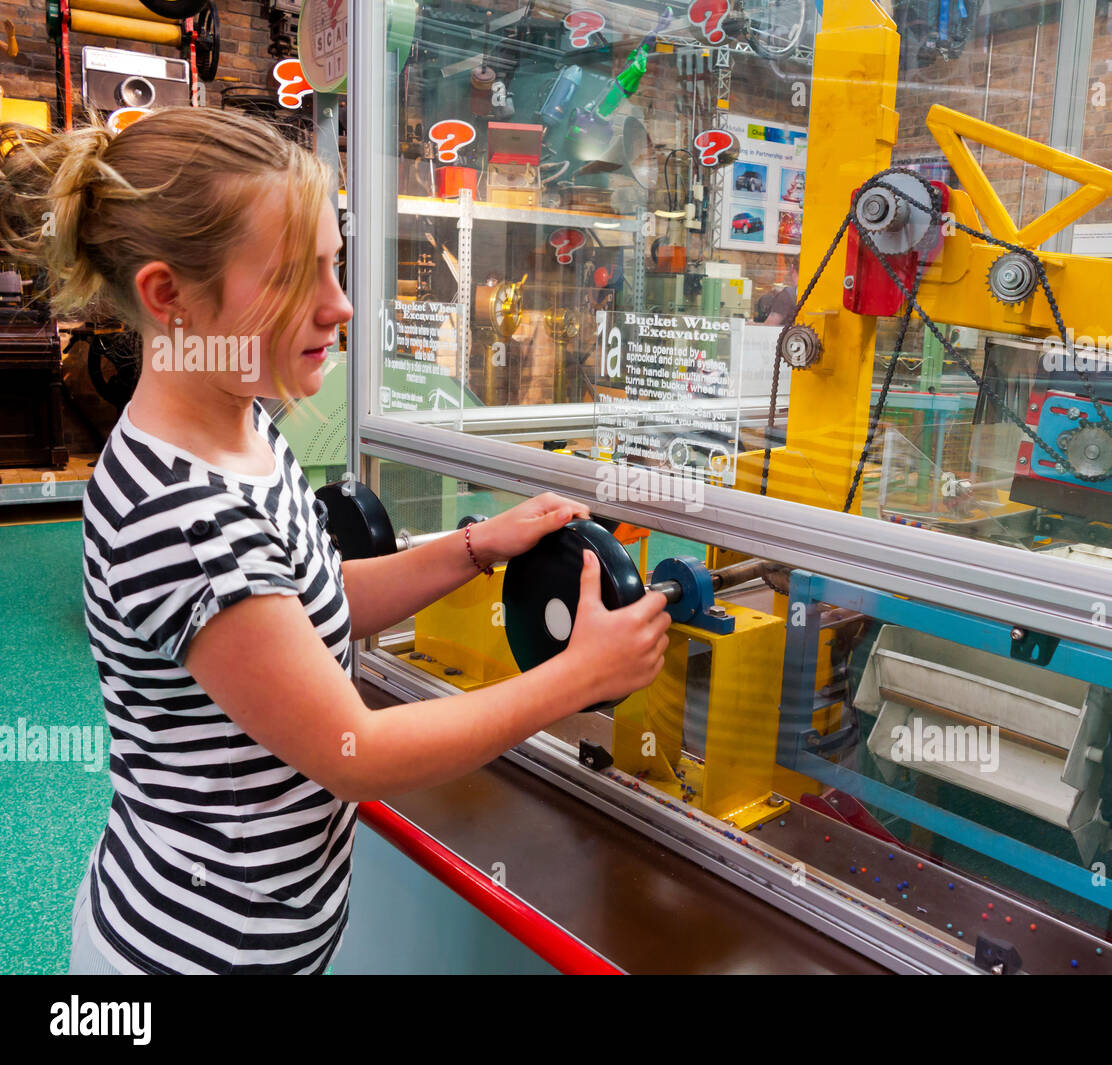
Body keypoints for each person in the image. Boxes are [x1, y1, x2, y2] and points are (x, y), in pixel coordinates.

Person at [0, 108, 670, 975]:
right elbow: (357, 751)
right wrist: (577, 678)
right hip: (189, 956)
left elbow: (312, 601)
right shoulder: (184, 515)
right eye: (291, 276)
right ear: (169, 298)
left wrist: (470, 549)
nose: (339, 303)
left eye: (333, 263)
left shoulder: (241, 424)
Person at [754, 255, 799, 326]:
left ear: (792, 268)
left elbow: (769, 326)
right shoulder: (810, 293)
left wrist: (750, 325)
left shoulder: (787, 295)